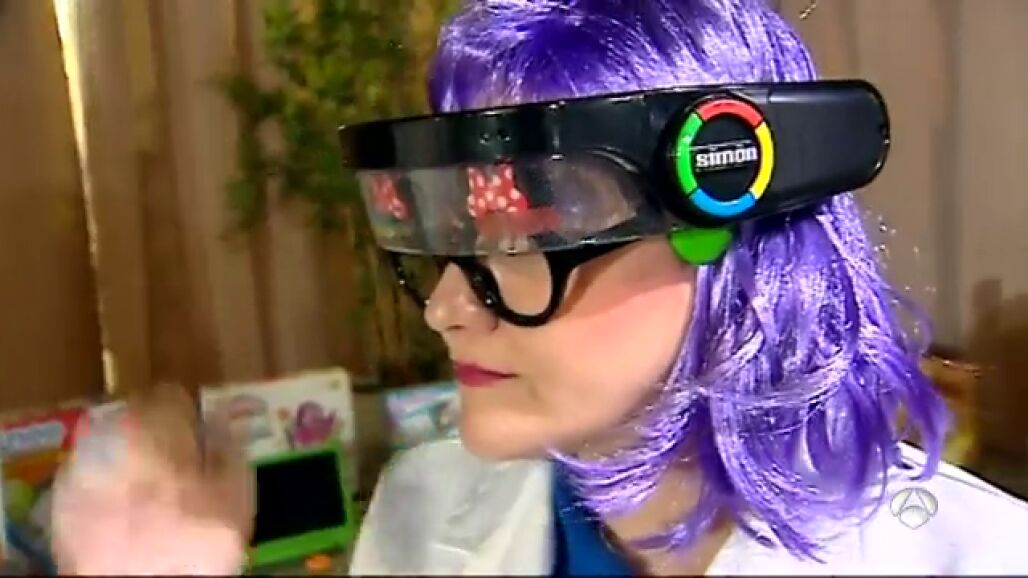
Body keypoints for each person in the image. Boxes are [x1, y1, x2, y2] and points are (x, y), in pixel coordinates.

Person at [48, 0, 1028, 576]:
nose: (445, 308)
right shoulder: (424, 507)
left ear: (727, 220)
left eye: (523, 236)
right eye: (449, 241)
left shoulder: (981, 557)